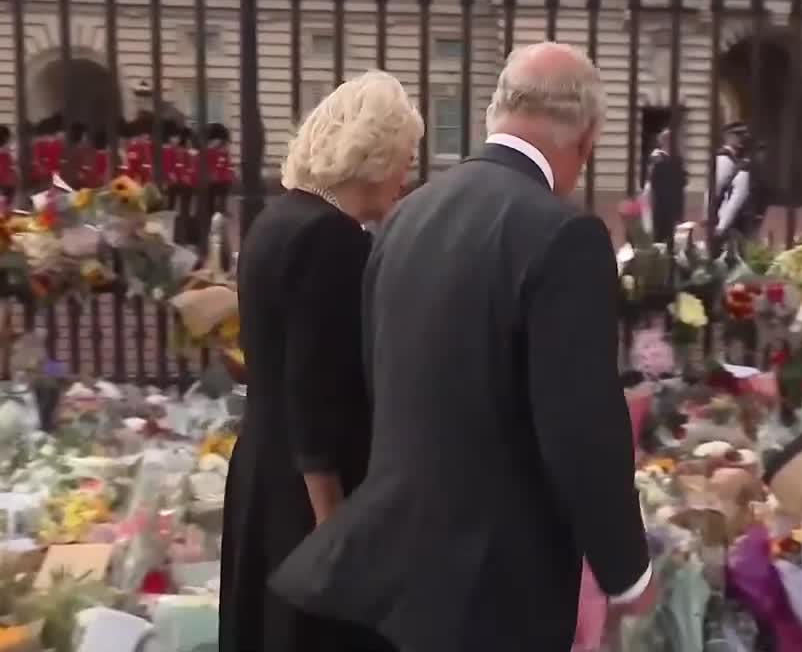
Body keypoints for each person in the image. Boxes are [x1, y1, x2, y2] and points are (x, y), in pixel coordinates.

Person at [271, 42, 656, 652]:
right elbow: (580, 428)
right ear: (585, 140)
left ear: (495, 114)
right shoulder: (565, 233)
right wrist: (629, 573)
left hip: (407, 574)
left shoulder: (406, 216)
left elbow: (383, 381)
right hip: (504, 585)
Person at [219, 70, 421, 652]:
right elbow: (315, 391)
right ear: (374, 155)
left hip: (263, 465)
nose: (406, 178)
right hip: (307, 491)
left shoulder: (277, 221)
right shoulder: (332, 240)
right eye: (404, 158)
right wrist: (334, 530)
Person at [642, 127, 686, 244]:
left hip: (672, 204)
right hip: (661, 205)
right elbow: (655, 182)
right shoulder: (658, 158)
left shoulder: (676, 158)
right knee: (660, 236)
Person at [205, 122, 234, 215]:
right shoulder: (209, 151)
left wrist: (229, 173)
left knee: (223, 195)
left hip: (223, 177)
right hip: (212, 178)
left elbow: (227, 164)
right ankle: (211, 209)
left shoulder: (224, 152)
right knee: (211, 195)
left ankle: (221, 209)